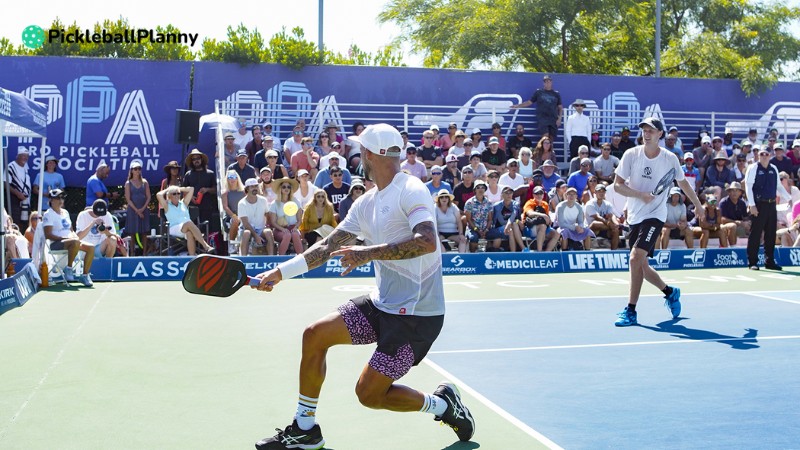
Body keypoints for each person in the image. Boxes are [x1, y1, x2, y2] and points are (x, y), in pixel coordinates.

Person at [252, 123, 474, 448]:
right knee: (315, 335)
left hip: (416, 317)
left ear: (371, 153)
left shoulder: (410, 188)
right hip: (381, 304)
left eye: (361, 149)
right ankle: (304, 428)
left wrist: (367, 253)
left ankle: (443, 405)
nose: (358, 155)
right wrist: (280, 272)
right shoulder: (365, 203)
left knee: (369, 395)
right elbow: (327, 248)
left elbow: (427, 241)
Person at [613, 117, 705, 327]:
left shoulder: (670, 159)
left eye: (651, 130)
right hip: (634, 216)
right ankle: (670, 292)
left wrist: (698, 206)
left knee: (635, 259)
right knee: (642, 266)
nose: (646, 133)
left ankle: (631, 310)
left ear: (660, 134)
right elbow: (617, 186)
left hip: (655, 215)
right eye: (644, 130)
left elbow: (683, 184)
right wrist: (640, 195)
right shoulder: (631, 155)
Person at [745, 147, 792, 270]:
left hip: (771, 204)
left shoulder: (773, 168)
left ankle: (769, 261)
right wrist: (752, 204)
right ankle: (752, 262)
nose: (764, 156)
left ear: (770, 155)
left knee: (770, 234)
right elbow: (748, 187)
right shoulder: (753, 168)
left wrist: (788, 198)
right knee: (755, 233)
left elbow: (779, 186)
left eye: (766, 154)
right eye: (762, 154)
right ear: (758, 155)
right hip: (758, 204)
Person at [42, 189, 95, 287]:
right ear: (51, 200)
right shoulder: (48, 214)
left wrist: (74, 237)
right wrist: (64, 238)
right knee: (75, 242)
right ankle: (69, 269)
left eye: (62, 198)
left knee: (91, 247)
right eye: (58, 198)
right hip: (55, 243)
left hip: (71, 242)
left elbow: (70, 230)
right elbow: (48, 235)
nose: (61, 200)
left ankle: (85, 275)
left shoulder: (65, 212)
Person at [157, 185, 214, 256]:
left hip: (186, 228)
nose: (177, 195)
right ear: (169, 196)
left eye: (178, 193)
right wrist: (168, 189)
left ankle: (192, 256)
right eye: (174, 194)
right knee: (189, 223)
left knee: (189, 233)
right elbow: (158, 195)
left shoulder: (183, 203)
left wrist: (177, 189)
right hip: (174, 228)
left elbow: (191, 189)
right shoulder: (167, 205)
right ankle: (206, 246)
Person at [511, 74, 563, 141]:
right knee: (545, 137)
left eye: (549, 81)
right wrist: (517, 106)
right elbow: (529, 102)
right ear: (543, 83)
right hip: (542, 118)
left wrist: (559, 119)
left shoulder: (556, 94)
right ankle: (543, 151)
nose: (547, 83)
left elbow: (560, 107)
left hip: (553, 119)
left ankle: (550, 151)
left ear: (551, 82)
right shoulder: (539, 92)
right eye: (545, 81)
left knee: (551, 139)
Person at [183, 149, 219, 233]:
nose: (196, 161)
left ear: (201, 159)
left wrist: (207, 189)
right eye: (194, 159)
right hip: (192, 207)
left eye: (198, 158)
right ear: (191, 162)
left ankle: (206, 246)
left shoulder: (210, 173)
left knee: (207, 229)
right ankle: (193, 246)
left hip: (207, 206)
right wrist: (190, 197)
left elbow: (216, 189)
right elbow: (183, 190)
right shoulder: (188, 174)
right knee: (192, 230)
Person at [238, 178, 275, 256]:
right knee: (246, 233)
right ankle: (244, 259)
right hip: (246, 229)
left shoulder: (263, 200)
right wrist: (256, 236)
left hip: (261, 229)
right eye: (252, 187)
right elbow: (245, 224)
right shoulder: (241, 203)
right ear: (247, 189)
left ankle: (271, 258)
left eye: (256, 186)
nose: (255, 188)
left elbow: (267, 215)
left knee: (268, 232)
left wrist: (267, 225)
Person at [269, 178, 304, 255]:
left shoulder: (296, 201)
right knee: (287, 235)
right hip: (279, 229)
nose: (286, 189)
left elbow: (299, 220)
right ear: (280, 189)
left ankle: (302, 258)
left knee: (295, 234)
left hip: (293, 227)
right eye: (284, 187)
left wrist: (295, 227)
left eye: (288, 187)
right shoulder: (274, 203)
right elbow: (273, 222)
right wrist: (282, 229)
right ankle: (281, 258)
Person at [124, 160, 151, 255]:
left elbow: (148, 197)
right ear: (131, 171)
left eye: (139, 168)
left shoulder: (145, 182)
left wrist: (142, 209)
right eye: (135, 169)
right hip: (132, 211)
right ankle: (132, 253)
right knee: (132, 232)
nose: (137, 171)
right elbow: (128, 199)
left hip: (144, 210)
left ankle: (144, 253)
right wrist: (137, 211)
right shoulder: (128, 183)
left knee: (144, 233)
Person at [522, 186, 559, 252]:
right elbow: (529, 213)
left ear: (543, 195)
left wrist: (548, 220)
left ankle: (547, 252)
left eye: (541, 193)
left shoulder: (545, 204)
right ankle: (540, 252)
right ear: (533, 195)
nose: (539, 195)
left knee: (557, 233)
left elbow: (547, 221)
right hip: (529, 228)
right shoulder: (529, 203)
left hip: (543, 228)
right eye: (537, 194)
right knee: (543, 226)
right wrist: (543, 215)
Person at [488, 185, 525, 252]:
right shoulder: (497, 206)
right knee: (512, 226)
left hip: (512, 228)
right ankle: (523, 248)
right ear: (502, 194)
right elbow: (501, 221)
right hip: (498, 229)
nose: (509, 195)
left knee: (513, 225)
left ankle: (515, 252)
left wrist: (514, 221)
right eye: (506, 193)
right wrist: (514, 222)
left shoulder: (515, 204)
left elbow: (514, 214)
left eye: (510, 193)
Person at [585, 183, 620, 249]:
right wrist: (610, 224)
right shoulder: (590, 204)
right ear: (595, 192)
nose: (601, 193)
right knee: (595, 223)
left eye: (603, 191)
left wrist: (615, 224)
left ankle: (614, 251)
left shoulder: (608, 204)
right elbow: (597, 217)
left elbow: (610, 215)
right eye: (599, 191)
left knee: (616, 230)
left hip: (605, 228)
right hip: (592, 229)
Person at [464, 179, 492, 252]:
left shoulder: (489, 203)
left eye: (482, 187)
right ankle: (473, 255)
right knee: (473, 238)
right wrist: (477, 230)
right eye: (478, 187)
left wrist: (486, 230)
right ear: (475, 190)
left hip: (486, 229)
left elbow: (490, 219)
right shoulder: (469, 203)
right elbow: (469, 220)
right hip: (473, 229)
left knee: (497, 237)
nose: (480, 189)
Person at [719, 181, 750, 246]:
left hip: (739, 225)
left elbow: (745, 217)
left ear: (740, 193)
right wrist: (736, 222)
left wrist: (748, 222)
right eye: (732, 190)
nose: (734, 193)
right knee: (732, 226)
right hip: (724, 226)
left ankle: (757, 248)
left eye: (737, 191)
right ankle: (733, 248)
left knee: (755, 225)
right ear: (729, 192)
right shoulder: (723, 202)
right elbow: (721, 219)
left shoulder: (742, 203)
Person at [7, 149, 32, 230]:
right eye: (22, 155)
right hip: (15, 200)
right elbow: (5, 183)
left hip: (25, 201)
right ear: (17, 156)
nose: (24, 158)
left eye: (26, 156)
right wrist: (17, 193)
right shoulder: (11, 166)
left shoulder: (25, 167)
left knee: (24, 222)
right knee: (15, 222)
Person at [221, 170, 246, 246]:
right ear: (227, 179)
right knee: (235, 221)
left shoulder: (244, 191)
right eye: (230, 177)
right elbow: (225, 207)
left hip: (242, 214)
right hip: (230, 216)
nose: (232, 179)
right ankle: (231, 243)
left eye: (234, 177)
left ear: (237, 178)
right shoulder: (225, 193)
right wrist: (234, 216)